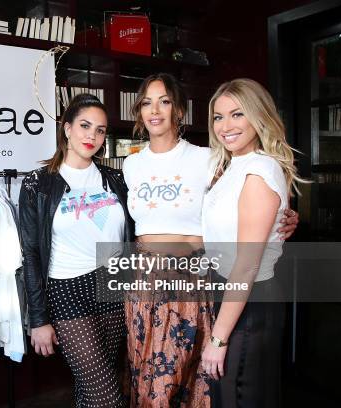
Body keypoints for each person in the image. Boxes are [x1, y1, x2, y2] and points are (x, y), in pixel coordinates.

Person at [122, 73, 299, 407]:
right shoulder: (131, 165)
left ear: (179, 110)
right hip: (147, 279)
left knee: (201, 381)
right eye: (146, 102)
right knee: (152, 381)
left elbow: (254, 205)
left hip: (197, 277)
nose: (155, 110)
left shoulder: (211, 159)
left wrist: (284, 219)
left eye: (164, 100)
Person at [19, 93, 133, 407]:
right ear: (67, 128)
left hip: (112, 286)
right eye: (85, 125)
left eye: (99, 130)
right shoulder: (38, 184)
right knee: (106, 395)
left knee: (92, 388)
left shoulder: (116, 179)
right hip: (66, 290)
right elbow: (31, 254)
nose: (92, 136)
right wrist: (38, 319)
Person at [201, 78, 305, 407]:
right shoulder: (232, 165)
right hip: (234, 294)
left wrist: (218, 339)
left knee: (239, 396)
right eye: (218, 117)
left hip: (250, 299)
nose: (226, 126)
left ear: (258, 116)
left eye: (237, 114)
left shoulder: (257, 170)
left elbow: (246, 265)